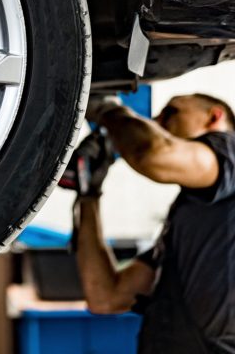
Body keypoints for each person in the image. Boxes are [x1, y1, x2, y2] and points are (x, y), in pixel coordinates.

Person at [73, 93, 235, 353]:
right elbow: (105, 297)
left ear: (214, 117)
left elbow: (153, 154)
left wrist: (106, 109)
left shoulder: (230, 151)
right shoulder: (190, 227)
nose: (157, 123)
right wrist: (89, 195)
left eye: (170, 113)